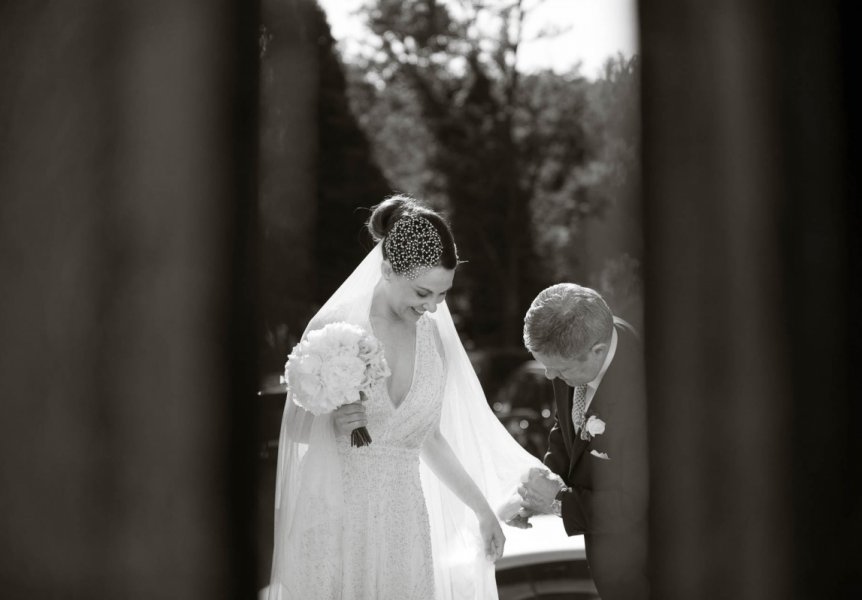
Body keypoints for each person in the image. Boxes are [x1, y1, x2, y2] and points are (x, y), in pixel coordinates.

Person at [267, 195, 543, 600]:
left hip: (403, 524)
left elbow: (428, 437)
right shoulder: (335, 331)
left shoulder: (433, 342)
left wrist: (482, 511)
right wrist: (331, 424)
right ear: (387, 270)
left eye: (442, 295)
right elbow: (295, 429)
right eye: (422, 292)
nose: (432, 307)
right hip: (337, 520)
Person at [515, 283, 649, 600]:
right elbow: (567, 426)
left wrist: (558, 501)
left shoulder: (644, 393)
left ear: (597, 351)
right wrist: (544, 481)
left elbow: (637, 504)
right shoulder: (577, 352)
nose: (549, 376)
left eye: (558, 369)